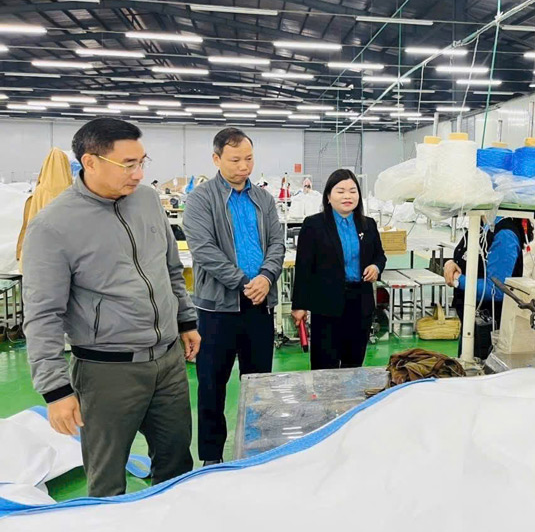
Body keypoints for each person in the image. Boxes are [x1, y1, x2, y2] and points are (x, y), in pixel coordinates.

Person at [22, 118, 200, 497]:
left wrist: (185, 321)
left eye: (142, 161)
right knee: (107, 480)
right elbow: (43, 315)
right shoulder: (53, 227)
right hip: (107, 372)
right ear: (90, 161)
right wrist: (56, 391)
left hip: (167, 364)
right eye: (128, 164)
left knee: (176, 464)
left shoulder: (148, 200)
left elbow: (169, 268)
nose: (139, 174)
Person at [183, 128, 285, 466]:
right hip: (217, 310)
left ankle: (259, 450)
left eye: (249, 159)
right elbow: (204, 251)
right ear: (216, 159)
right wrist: (244, 281)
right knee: (212, 385)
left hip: (259, 306)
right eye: (235, 160)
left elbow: (277, 244)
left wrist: (266, 277)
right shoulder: (201, 199)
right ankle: (211, 458)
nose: (244, 166)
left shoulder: (264, 199)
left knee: (259, 385)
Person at [291, 169, 386, 370]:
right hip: (326, 306)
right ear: (328, 196)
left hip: (359, 304)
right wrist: (299, 305)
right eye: (340, 191)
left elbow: (380, 255)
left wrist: (376, 267)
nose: (347, 196)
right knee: (325, 366)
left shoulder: (368, 224)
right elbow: (303, 267)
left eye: (352, 191)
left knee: (354, 364)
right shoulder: (314, 225)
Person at [443, 215, 535, 357]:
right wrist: (450, 263)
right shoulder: (481, 225)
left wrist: (458, 279)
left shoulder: (504, 234)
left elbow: (496, 289)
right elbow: (466, 257)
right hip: (470, 322)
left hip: (489, 328)